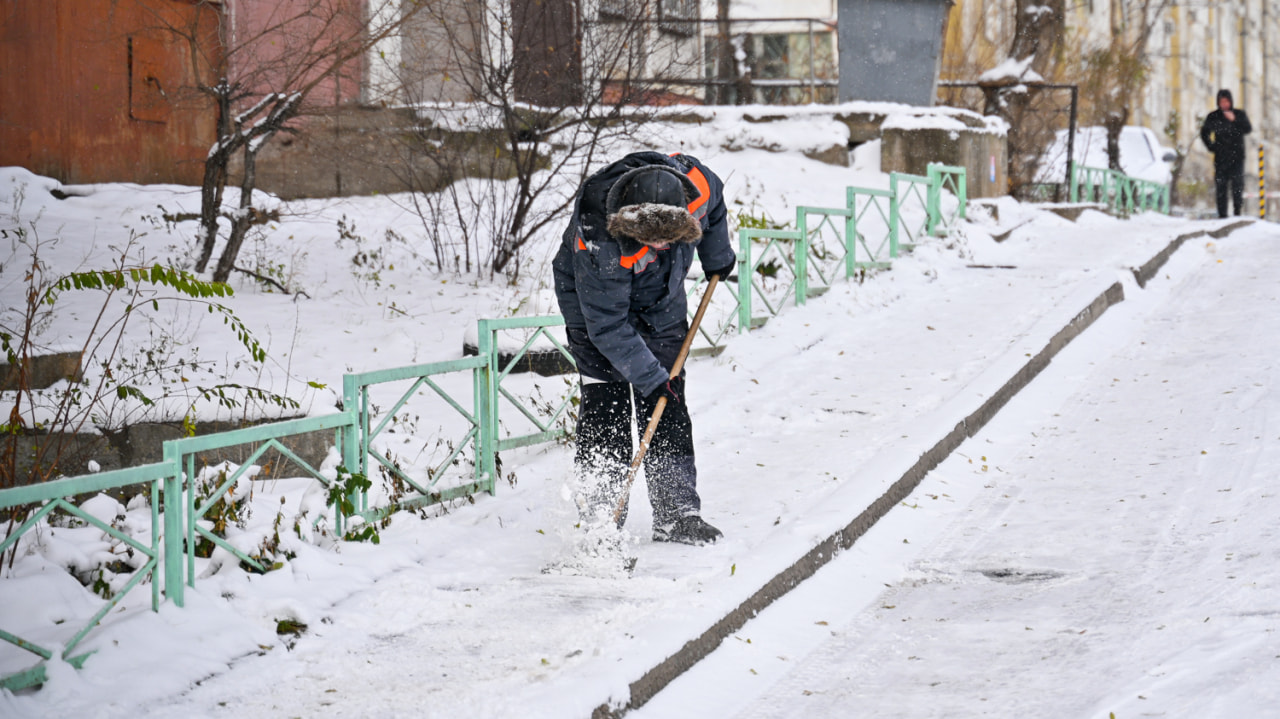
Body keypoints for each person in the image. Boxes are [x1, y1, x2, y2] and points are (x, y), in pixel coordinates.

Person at [552, 151, 736, 546]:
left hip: (662, 304)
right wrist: (651, 379)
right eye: (651, 239)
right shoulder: (598, 235)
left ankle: (677, 515)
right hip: (593, 310)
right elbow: (607, 326)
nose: (661, 244)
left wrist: (717, 257)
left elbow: (716, 199)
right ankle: (601, 518)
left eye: (670, 237)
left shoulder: (696, 188)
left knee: (667, 407)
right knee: (608, 407)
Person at [1199, 89, 1252, 218]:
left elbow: (1247, 128)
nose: (1224, 104)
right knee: (1221, 186)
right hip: (1221, 157)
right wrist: (1211, 147)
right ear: (1218, 102)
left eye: (1226, 101)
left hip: (1237, 157)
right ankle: (1222, 214)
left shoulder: (1239, 114)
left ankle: (1237, 211)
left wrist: (1235, 120)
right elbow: (1204, 132)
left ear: (1231, 101)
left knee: (1237, 185)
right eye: (1221, 102)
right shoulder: (1214, 116)